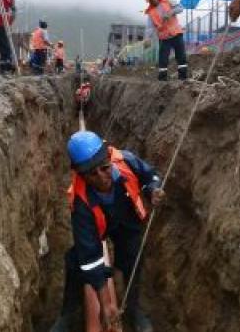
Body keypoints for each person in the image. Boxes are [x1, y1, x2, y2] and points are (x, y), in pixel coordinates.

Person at [50, 131, 165, 332]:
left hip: (126, 219)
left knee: (133, 256)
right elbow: (90, 257)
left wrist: (153, 189)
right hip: (98, 224)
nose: (102, 177)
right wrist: (105, 304)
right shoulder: (80, 203)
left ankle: (132, 309)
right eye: (92, 174)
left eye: (104, 168)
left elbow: (149, 176)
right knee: (77, 261)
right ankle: (68, 313)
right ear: (80, 174)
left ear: (109, 158)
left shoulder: (126, 161)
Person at [143, 0, 189, 81]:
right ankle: (162, 79)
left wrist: (171, 12)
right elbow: (149, 28)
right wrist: (147, 38)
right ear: (149, 1)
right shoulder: (151, 12)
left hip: (176, 33)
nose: (153, 0)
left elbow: (180, 8)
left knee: (181, 56)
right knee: (163, 59)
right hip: (164, 38)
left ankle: (182, 77)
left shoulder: (167, 1)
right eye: (150, 0)